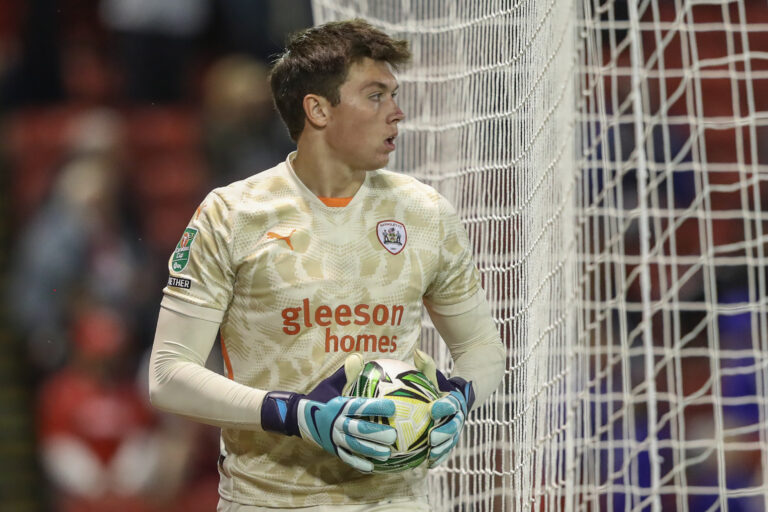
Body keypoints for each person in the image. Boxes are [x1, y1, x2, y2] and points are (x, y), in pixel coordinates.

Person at [148, 19, 505, 511]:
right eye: (376, 96)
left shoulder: (424, 213)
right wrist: (295, 414)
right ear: (317, 109)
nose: (397, 114)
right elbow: (168, 376)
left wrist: (459, 399)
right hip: (268, 501)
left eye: (393, 95)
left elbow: (481, 346)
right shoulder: (232, 215)